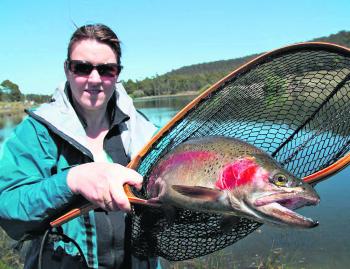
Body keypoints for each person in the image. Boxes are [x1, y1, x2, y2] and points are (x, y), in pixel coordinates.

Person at [0, 24, 158, 269]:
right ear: (67, 69)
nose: (95, 79)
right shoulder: (36, 131)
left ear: (117, 74)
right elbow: (8, 208)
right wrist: (71, 181)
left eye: (106, 70)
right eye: (82, 68)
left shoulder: (142, 130)